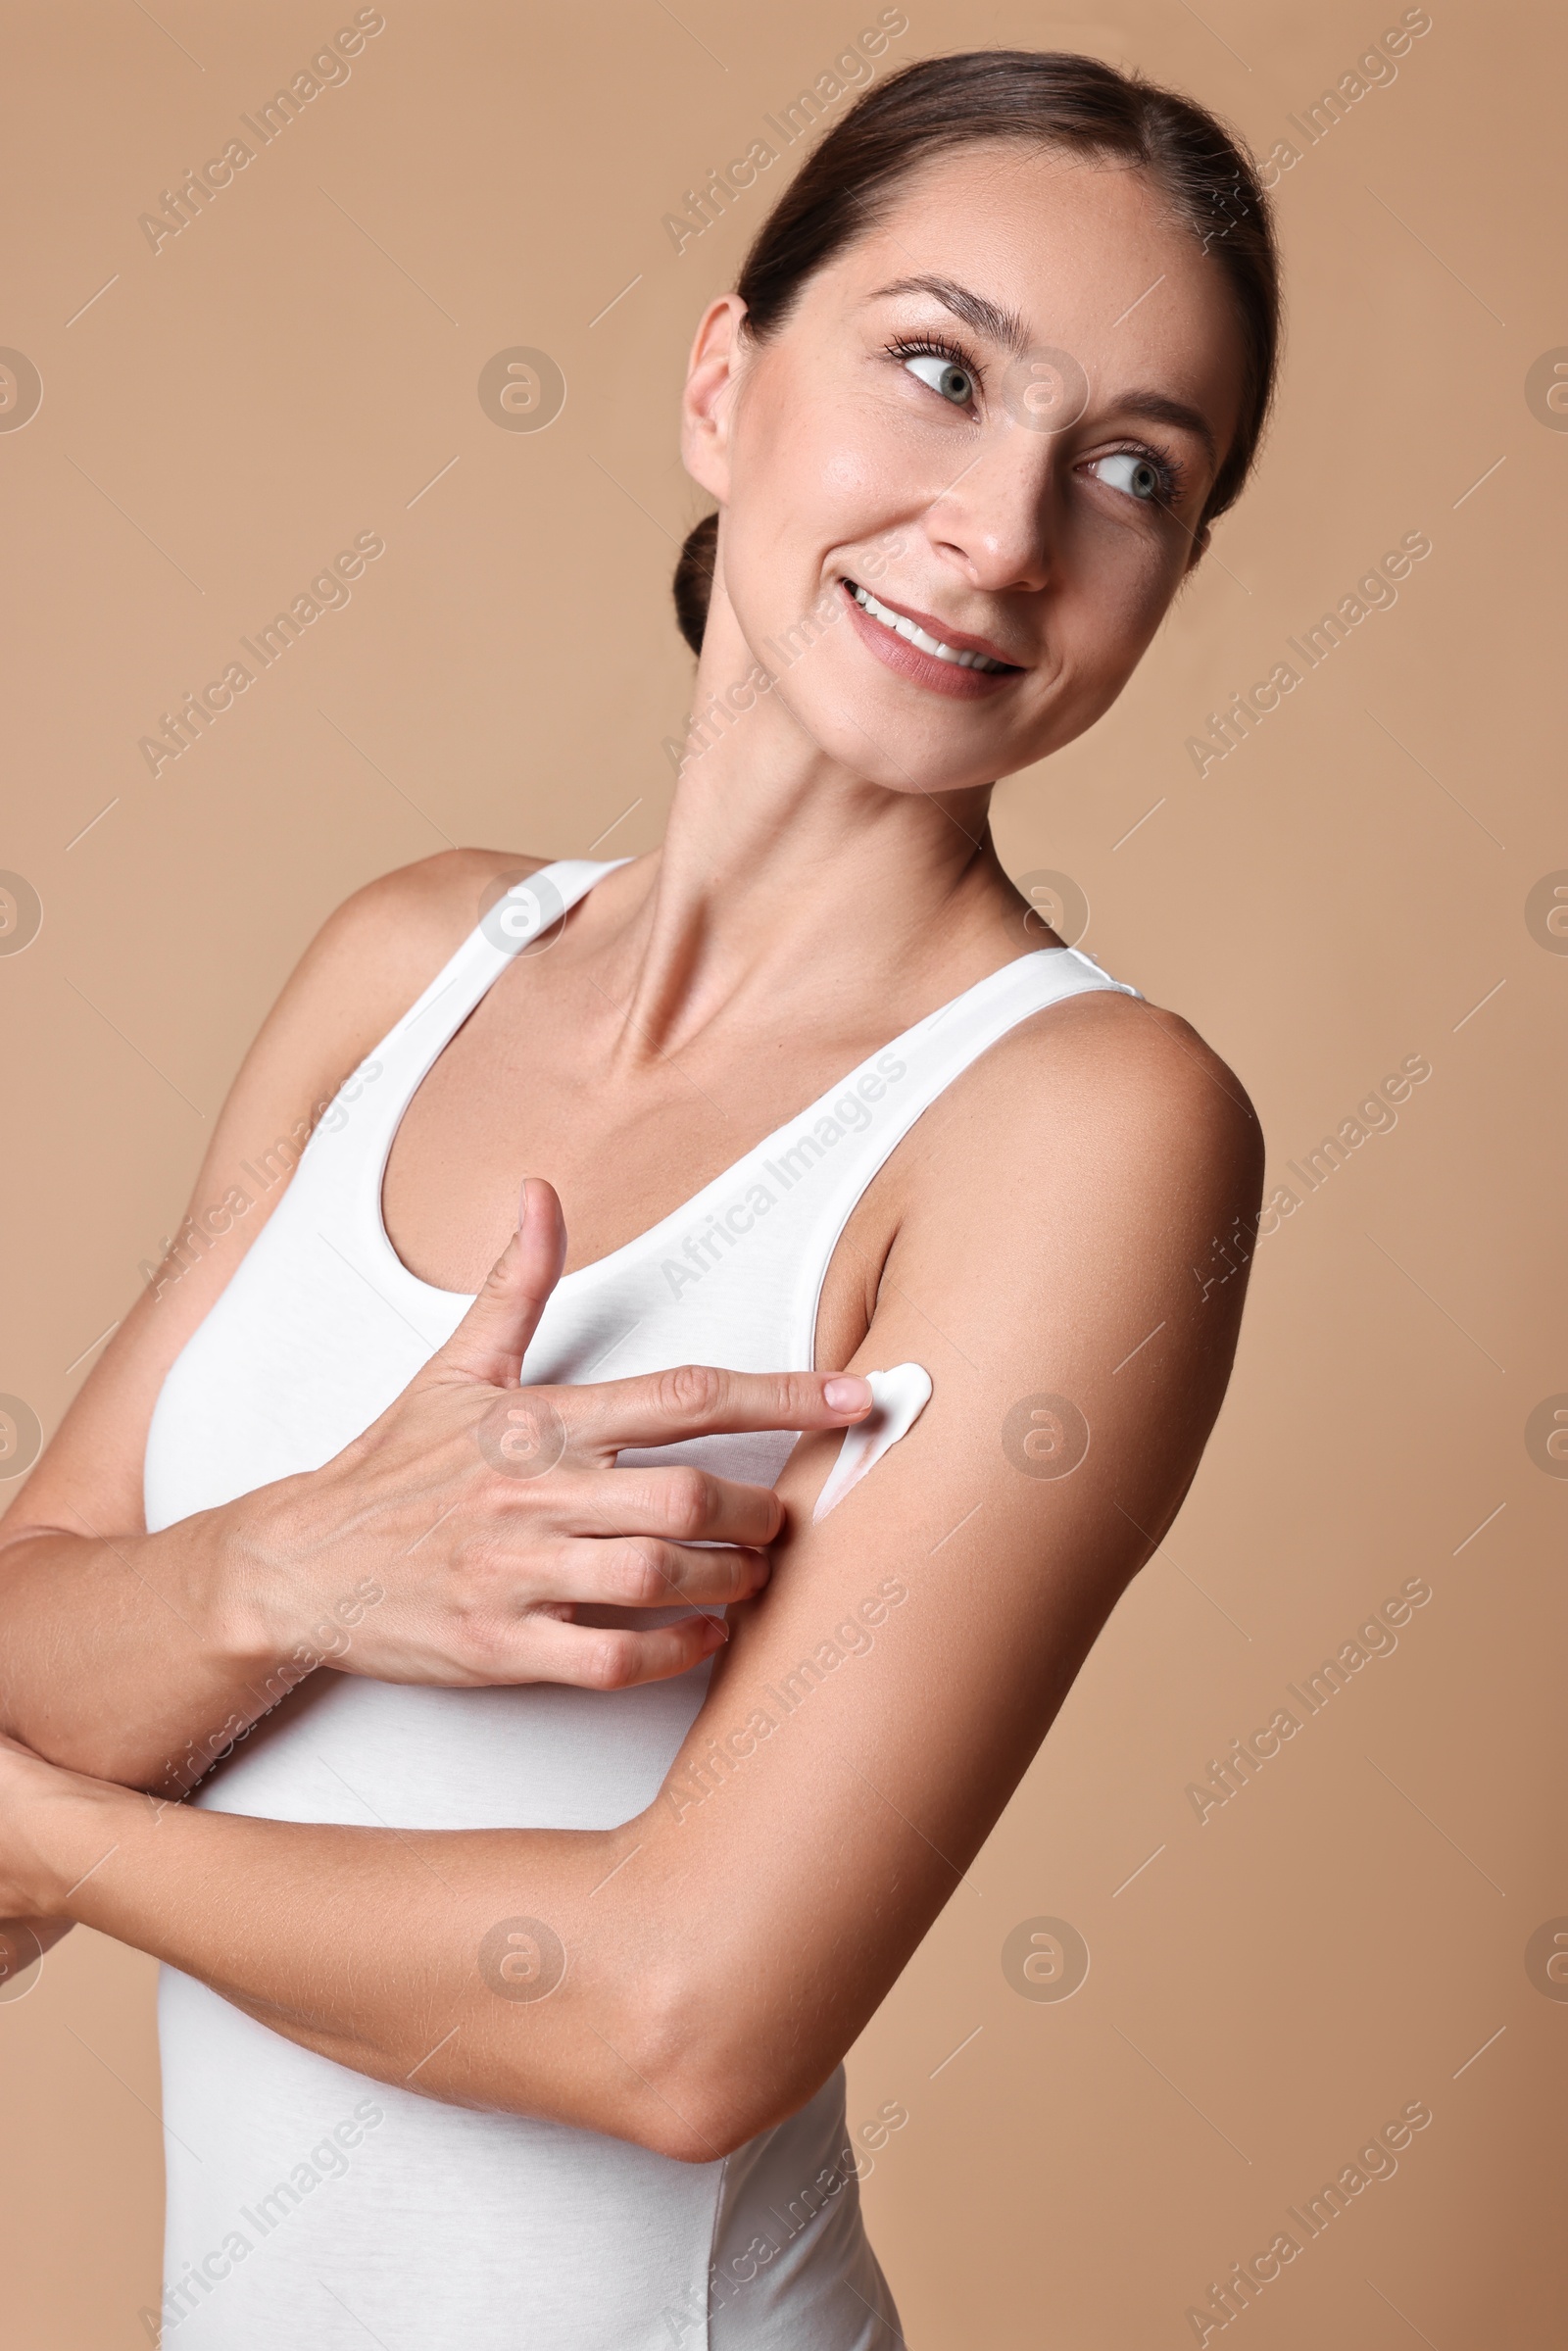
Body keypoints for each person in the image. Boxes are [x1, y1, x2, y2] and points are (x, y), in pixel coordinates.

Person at [0, 48, 1278, 2349]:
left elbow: (680, 2020)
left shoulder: (1079, 1124)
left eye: (1124, 471)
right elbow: (30, 1624)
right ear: (722, 381)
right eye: (934, 369)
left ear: (1167, 572)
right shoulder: (405, 960)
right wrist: (293, 1567)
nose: (1001, 532)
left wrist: (63, 1830)